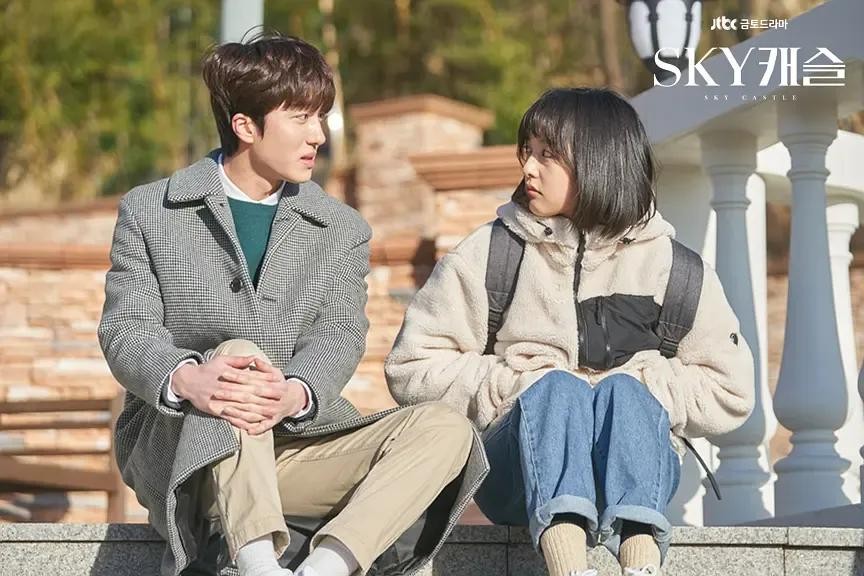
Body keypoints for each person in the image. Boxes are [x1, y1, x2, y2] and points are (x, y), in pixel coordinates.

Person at [98, 33, 485, 576]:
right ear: (245, 126)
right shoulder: (150, 211)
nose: (318, 135)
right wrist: (187, 379)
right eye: (301, 117)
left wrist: (294, 394)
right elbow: (126, 328)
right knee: (238, 355)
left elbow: (339, 336)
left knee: (448, 430)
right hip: (190, 450)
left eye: (320, 117)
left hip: (300, 448)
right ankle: (258, 563)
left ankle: (326, 566)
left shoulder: (342, 228)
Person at [385, 88, 755, 576]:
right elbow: (411, 366)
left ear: (599, 164)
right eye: (528, 152)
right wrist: (518, 385)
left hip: (638, 478)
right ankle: (567, 567)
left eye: (547, 155)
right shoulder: (492, 253)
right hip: (516, 475)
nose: (528, 169)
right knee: (556, 391)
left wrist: (642, 386)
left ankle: (642, 564)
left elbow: (731, 389)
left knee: (627, 393)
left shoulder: (677, 270)